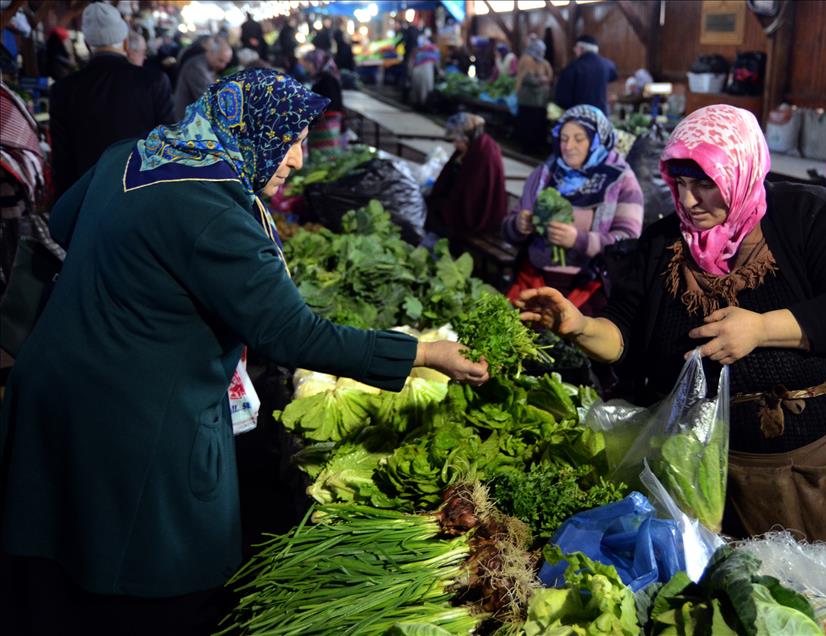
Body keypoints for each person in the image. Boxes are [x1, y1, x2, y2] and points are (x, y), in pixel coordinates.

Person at [0, 69, 489, 635]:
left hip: (50, 383)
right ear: (254, 131)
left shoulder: (138, 152)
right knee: (151, 581)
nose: (300, 160)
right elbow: (294, 336)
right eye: (293, 140)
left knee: (55, 558)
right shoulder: (215, 213)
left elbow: (64, 220)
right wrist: (425, 353)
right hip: (133, 418)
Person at [515, 105, 826, 636]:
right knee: (757, 607)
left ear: (738, 169)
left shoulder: (811, 217)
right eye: (680, 183)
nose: (688, 202)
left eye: (705, 185)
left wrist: (761, 328)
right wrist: (578, 326)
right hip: (720, 480)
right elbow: (624, 336)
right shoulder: (665, 245)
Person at [503, 105, 643, 314]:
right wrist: (518, 225)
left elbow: (628, 242)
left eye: (579, 139)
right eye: (564, 138)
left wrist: (579, 240)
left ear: (597, 140)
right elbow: (508, 228)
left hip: (588, 289)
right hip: (534, 281)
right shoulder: (545, 173)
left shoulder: (620, 178)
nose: (568, 146)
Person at [49, 2, 175, 198]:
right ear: (125, 42)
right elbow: (168, 144)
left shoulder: (63, 90)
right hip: (143, 195)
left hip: (89, 198)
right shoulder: (154, 82)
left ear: (89, 45)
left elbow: (62, 160)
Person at [427, 113, 507, 240]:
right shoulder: (470, 147)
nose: (455, 145)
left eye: (456, 140)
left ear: (466, 137)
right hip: (461, 205)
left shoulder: (484, 151)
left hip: (478, 215)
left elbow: (471, 194)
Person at [554, 34, 618, 115]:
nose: (575, 51)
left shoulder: (573, 67)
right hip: (601, 115)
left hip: (579, 115)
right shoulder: (608, 65)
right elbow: (613, 77)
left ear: (581, 49)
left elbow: (562, 98)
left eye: (576, 48)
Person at [173, 34, 232, 118]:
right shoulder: (196, 67)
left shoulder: (210, 66)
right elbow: (209, 100)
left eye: (226, 63)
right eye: (220, 60)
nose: (223, 66)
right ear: (211, 53)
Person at [515, 37, 553, 155]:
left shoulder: (544, 62)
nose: (542, 52)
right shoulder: (526, 60)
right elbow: (526, 78)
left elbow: (549, 77)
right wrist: (540, 80)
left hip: (540, 102)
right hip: (528, 101)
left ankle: (536, 148)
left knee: (538, 126)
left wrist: (542, 80)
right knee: (528, 126)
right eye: (540, 50)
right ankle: (527, 149)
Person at [303, 49, 344, 151]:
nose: (306, 67)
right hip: (323, 122)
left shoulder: (327, 79)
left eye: (308, 63)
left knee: (326, 153)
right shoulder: (320, 77)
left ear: (317, 62)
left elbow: (332, 103)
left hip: (327, 123)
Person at [410, 35, 440, 106]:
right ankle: (424, 104)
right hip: (427, 70)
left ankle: (419, 103)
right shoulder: (435, 50)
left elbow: (413, 62)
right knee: (426, 89)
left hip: (418, 70)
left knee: (418, 88)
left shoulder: (420, 52)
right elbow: (437, 63)